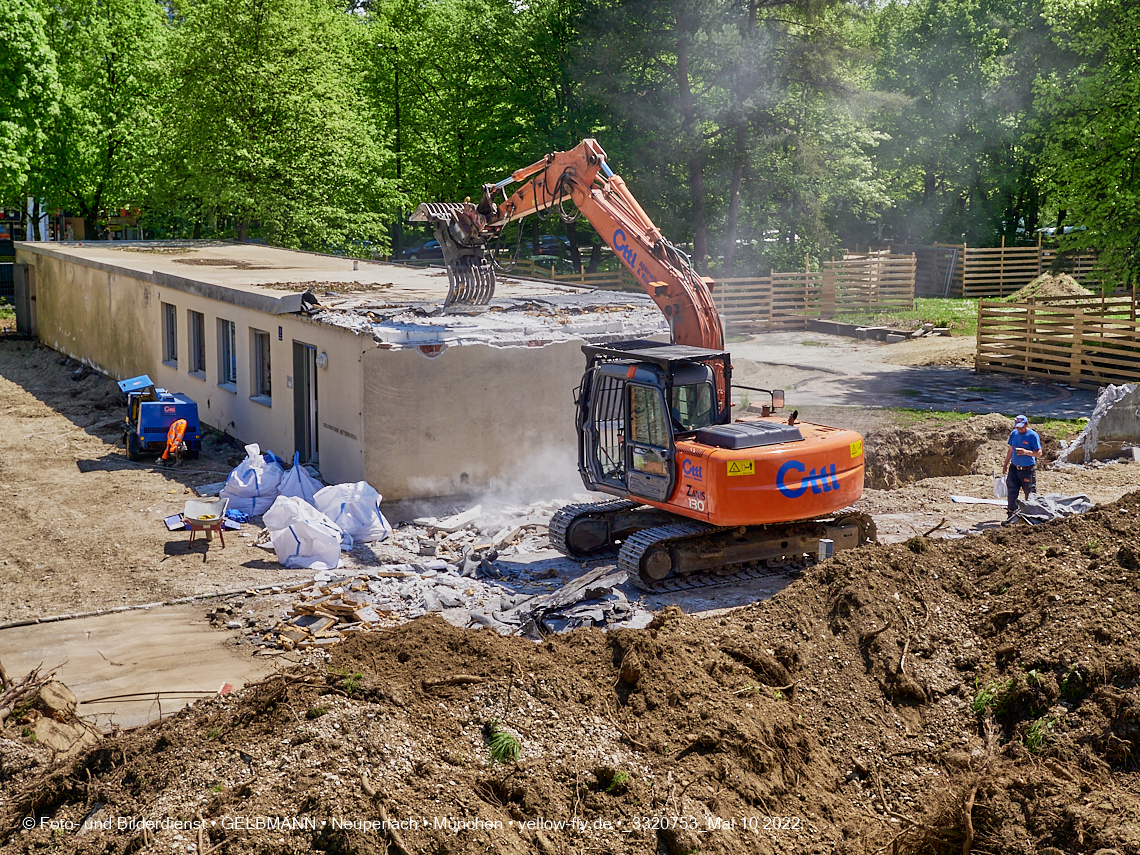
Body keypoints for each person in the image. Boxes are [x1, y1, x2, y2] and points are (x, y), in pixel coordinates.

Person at [1002, 414, 1041, 521]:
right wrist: (1005, 465)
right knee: (1012, 493)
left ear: (1027, 424)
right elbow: (1010, 450)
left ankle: (1033, 518)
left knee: (1030, 495)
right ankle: (1011, 518)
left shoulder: (1032, 436)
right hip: (1014, 469)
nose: (1019, 429)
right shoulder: (1014, 434)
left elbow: (1039, 453)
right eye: (1017, 426)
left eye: (1021, 426)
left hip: (1027, 470)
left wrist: (1026, 452)